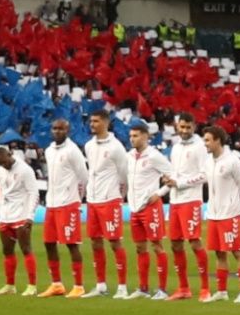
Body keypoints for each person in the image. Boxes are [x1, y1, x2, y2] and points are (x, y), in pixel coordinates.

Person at [40, 117, 89, 297]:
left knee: (71, 244)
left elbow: (84, 177)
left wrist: (77, 199)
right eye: (54, 128)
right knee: (49, 243)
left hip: (68, 204)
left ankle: (78, 285)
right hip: (51, 204)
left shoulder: (73, 150)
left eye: (61, 129)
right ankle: (57, 284)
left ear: (67, 130)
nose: (57, 131)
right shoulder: (49, 151)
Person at [83, 113, 130, 298]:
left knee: (114, 241)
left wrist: (119, 196)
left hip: (110, 199)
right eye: (91, 121)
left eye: (96, 121)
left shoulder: (116, 147)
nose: (92, 124)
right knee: (95, 241)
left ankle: (122, 286)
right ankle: (101, 285)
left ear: (106, 123)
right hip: (93, 201)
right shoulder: (88, 145)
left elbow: (124, 175)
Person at [200, 130, 240, 304]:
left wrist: (237, 209)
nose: (204, 143)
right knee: (219, 254)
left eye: (207, 140)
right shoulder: (208, 162)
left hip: (230, 214)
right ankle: (222, 291)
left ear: (218, 140)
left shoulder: (232, 161)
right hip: (213, 214)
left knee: (237, 251)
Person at [125, 121, 172, 298]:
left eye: (135, 136)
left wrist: (160, 193)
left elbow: (172, 175)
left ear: (145, 136)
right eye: (131, 136)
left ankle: (162, 289)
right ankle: (143, 288)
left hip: (150, 207)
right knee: (139, 248)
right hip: (135, 207)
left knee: (157, 245)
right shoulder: (129, 156)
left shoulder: (154, 156)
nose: (132, 139)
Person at [0, 144, 41, 295]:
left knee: (26, 249)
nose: (4, 166)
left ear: (10, 154)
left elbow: (33, 193)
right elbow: (2, 194)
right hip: (5, 215)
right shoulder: (1, 171)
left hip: (21, 215)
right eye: (1, 164)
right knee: (7, 250)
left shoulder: (25, 170)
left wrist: (30, 216)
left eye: (5, 162)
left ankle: (32, 286)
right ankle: (10, 285)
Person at [167, 116, 207, 301]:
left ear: (194, 126)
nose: (184, 130)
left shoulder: (199, 146)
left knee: (194, 242)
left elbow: (204, 175)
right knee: (175, 243)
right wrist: (162, 190)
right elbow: (174, 175)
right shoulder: (175, 148)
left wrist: (180, 183)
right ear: (177, 126)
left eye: (188, 127)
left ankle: (205, 289)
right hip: (175, 201)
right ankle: (184, 288)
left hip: (191, 200)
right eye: (182, 127)